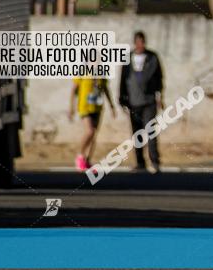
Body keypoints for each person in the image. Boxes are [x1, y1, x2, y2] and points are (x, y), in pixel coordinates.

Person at [118, 31, 164, 173]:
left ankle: (155, 161)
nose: (141, 44)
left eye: (143, 42)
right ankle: (140, 162)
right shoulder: (128, 59)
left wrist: (160, 97)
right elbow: (122, 80)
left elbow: (160, 78)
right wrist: (122, 98)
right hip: (133, 102)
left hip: (149, 101)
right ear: (135, 42)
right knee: (136, 134)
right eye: (138, 42)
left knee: (150, 131)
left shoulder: (152, 57)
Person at [69, 75, 116, 170]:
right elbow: (74, 90)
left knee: (94, 134)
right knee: (89, 131)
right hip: (85, 107)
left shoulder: (101, 73)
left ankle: (87, 160)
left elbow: (106, 89)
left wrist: (111, 106)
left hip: (97, 107)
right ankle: (80, 155)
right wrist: (71, 107)